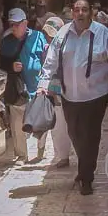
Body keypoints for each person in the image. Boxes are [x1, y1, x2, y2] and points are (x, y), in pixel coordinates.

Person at [38, 0, 108, 195]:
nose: (80, 13)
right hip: (70, 95)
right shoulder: (63, 34)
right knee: (74, 133)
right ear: (71, 12)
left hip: (96, 95)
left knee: (91, 135)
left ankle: (86, 176)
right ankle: (84, 167)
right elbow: (51, 60)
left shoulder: (102, 34)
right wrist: (43, 85)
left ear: (91, 13)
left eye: (84, 10)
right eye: (76, 10)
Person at [0, 8, 48, 163]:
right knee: (17, 121)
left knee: (41, 120)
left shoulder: (38, 37)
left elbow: (47, 59)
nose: (13, 27)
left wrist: (45, 81)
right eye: (11, 24)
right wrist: (11, 66)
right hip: (18, 88)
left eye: (17, 24)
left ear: (25, 23)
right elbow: (1, 62)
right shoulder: (7, 40)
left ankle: (41, 149)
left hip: (37, 87)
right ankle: (21, 154)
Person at [41, 16, 72, 169]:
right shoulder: (47, 49)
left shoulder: (69, 46)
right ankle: (63, 155)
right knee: (59, 126)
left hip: (71, 90)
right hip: (54, 92)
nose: (49, 37)